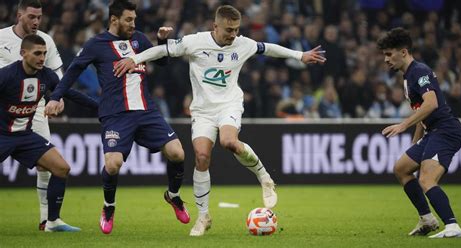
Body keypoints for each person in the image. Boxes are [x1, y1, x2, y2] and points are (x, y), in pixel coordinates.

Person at [113, 5, 326, 236]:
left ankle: (264, 177)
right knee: (202, 157)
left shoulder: (242, 44)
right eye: (228, 30)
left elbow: (269, 48)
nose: (233, 34)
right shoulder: (195, 42)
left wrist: (299, 55)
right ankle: (203, 217)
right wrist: (134, 59)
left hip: (229, 105)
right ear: (215, 26)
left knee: (229, 142)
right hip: (203, 111)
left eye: (236, 29)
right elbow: (161, 51)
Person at [44, 0, 189, 235]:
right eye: (128, 20)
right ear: (114, 20)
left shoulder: (139, 39)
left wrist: (162, 41)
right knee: (113, 164)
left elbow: (162, 61)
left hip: (146, 111)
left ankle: (173, 196)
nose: (133, 24)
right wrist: (55, 96)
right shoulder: (96, 44)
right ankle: (109, 207)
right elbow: (73, 71)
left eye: (134, 19)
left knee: (177, 153)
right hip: (115, 115)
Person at [0, 34, 97, 232]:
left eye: (44, 53)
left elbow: (70, 93)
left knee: (61, 168)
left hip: (25, 136)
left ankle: (52, 222)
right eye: (37, 53)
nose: (42, 58)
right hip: (2, 135)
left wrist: (101, 107)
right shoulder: (6, 75)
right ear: (23, 54)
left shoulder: (46, 75)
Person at [378, 27, 461, 238]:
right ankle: (427, 219)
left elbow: (431, 103)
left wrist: (403, 125)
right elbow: (421, 112)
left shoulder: (419, 71)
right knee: (401, 168)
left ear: (404, 52)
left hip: (446, 131)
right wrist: (415, 143)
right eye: (384, 55)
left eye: (389, 54)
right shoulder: (408, 75)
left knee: (426, 180)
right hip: (432, 132)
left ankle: (453, 226)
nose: (386, 60)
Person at [0, 0, 67, 231]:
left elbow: (57, 74)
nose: (36, 21)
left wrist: (58, 98)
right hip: (4, 112)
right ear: (19, 15)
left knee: (47, 165)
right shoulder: (1, 38)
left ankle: (47, 220)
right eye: (31, 17)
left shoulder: (45, 41)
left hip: (35, 108)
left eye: (39, 17)